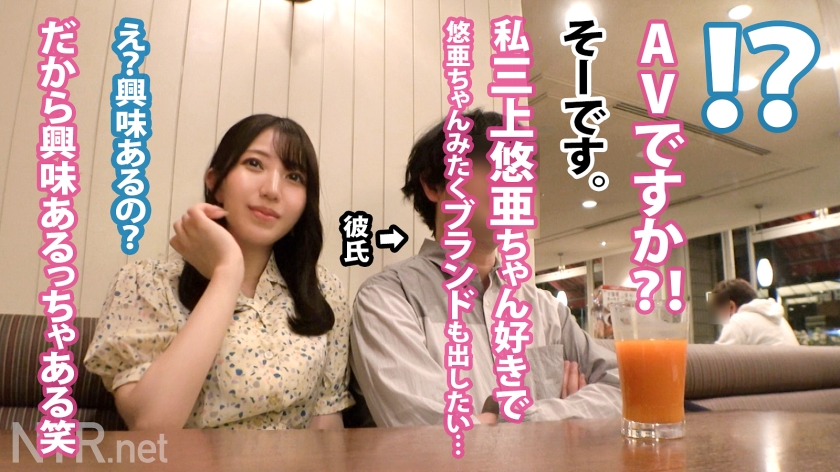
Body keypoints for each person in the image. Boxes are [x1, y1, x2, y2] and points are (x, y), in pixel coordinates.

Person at [348, 109, 621, 427]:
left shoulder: (547, 310)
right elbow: (431, 432)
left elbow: (625, 389)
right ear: (434, 184)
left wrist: (513, 416)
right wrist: (567, 415)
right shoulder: (388, 299)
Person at [84, 115, 354, 430]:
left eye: (294, 176)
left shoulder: (323, 291)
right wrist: (227, 272)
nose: (272, 190)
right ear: (215, 182)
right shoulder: (146, 282)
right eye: (254, 164)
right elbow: (151, 426)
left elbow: (326, 420)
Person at [711, 278, 799, 346]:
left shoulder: (738, 321)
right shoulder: (780, 320)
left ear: (731, 307)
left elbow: (719, 359)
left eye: (719, 313)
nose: (720, 320)